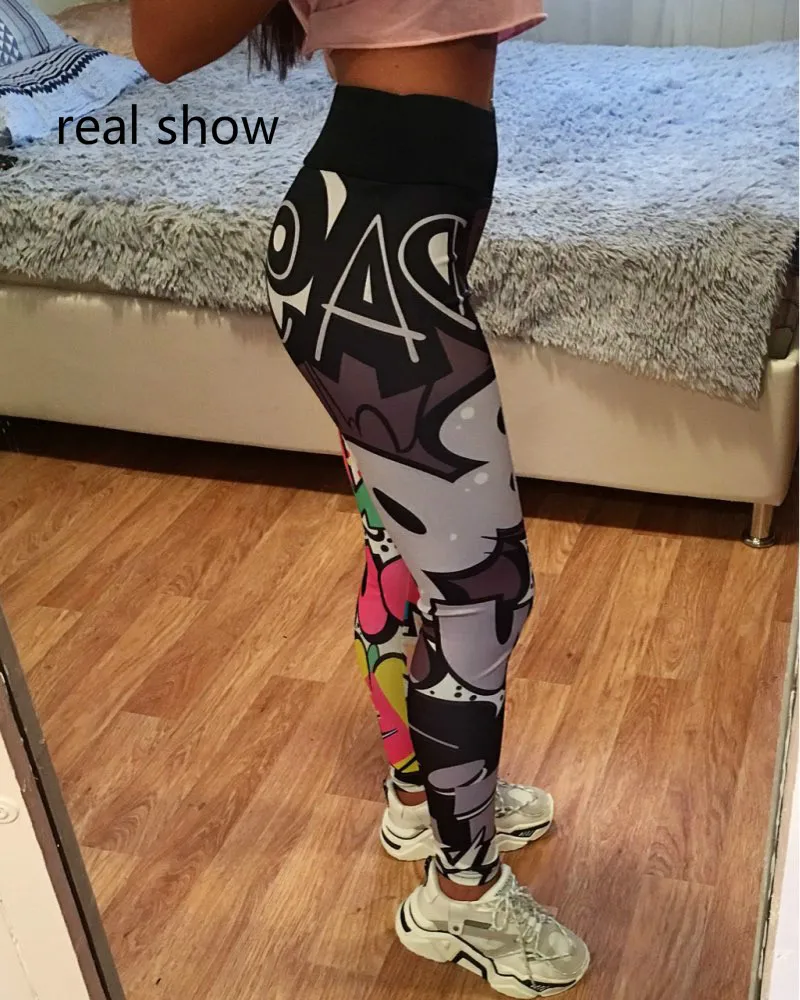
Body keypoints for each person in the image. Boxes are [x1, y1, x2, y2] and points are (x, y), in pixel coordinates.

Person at [131, 2, 590, 996]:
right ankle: (461, 898)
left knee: (406, 557)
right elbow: (158, 44)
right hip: (371, 263)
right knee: (482, 590)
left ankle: (423, 801)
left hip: (382, 237)